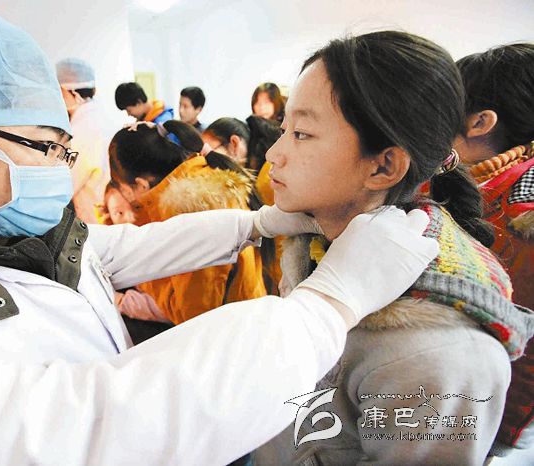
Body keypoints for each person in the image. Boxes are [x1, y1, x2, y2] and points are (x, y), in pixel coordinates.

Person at [0, 12, 441, 465]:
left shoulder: (3, 229)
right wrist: (326, 307)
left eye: (65, 148)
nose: (64, 170)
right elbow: (91, 428)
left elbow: (115, 251)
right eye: (45, 147)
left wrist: (251, 224)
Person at [252, 31, 534, 466]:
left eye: (302, 133)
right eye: (283, 128)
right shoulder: (318, 241)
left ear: (384, 165)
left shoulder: (437, 351)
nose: (273, 153)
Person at [454, 43, 534, 457]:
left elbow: (527, 347)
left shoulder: (523, 217)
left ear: (479, 122)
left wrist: (498, 433)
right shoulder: (468, 183)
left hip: (477, 417)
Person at [108, 120, 270, 324]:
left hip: (234, 330)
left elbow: (193, 315)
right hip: (249, 315)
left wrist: (143, 274)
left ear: (141, 185)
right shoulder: (202, 175)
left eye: (124, 190)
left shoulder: (187, 208)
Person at [55, 58, 115, 223]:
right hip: (107, 208)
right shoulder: (102, 115)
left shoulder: (83, 129)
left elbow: (66, 185)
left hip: (97, 214)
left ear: (69, 91)